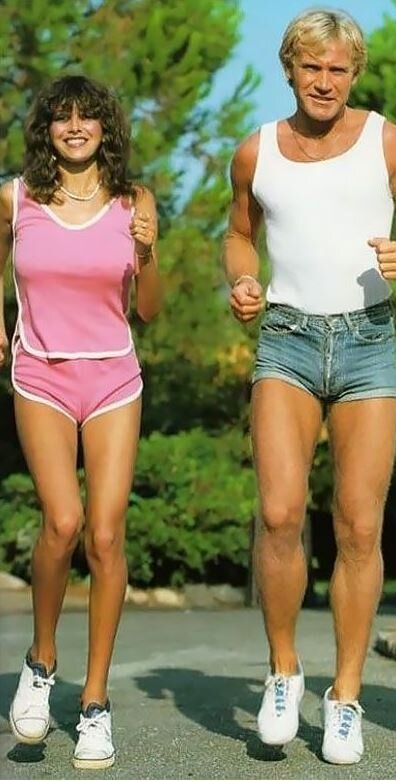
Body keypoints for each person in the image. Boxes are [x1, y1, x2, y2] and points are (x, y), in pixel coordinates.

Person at [223, 8, 396, 765]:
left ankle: (345, 696)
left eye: (338, 69)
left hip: (367, 343)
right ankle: (283, 670)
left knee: (358, 524)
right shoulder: (256, 151)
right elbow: (239, 233)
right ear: (291, 68)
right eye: (312, 67)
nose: (325, 81)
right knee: (280, 513)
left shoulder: (388, 141)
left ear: (355, 74)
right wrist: (242, 279)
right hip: (285, 339)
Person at [0, 75, 162, 769]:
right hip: (40, 372)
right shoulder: (14, 198)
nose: (74, 127)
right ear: (46, 130)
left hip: (114, 378)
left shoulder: (135, 201)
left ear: (105, 129)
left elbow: (149, 309)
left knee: (104, 533)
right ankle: (41, 660)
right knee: (62, 522)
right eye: (61, 117)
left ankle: (94, 701)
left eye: (87, 117)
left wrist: (147, 252)